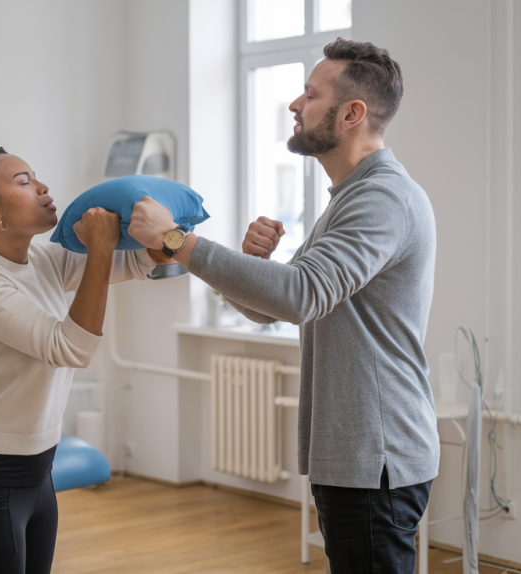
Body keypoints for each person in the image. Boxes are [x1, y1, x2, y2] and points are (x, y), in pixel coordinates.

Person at [128, 38, 438, 574]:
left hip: (377, 456)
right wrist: (255, 266)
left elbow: (299, 295)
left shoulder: (382, 197)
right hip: (354, 453)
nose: (295, 105)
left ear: (352, 113)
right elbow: (273, 307)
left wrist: (179, 242)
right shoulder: (347, 197)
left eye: (310, 94)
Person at [0, 147, 168, 574]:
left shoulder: (43, 259)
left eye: (35, 176)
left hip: (37, 476)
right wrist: (100, 247)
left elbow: (141, 259)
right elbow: (70, 347)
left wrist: (172, 233)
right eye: (23, 181)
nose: (42, 187)